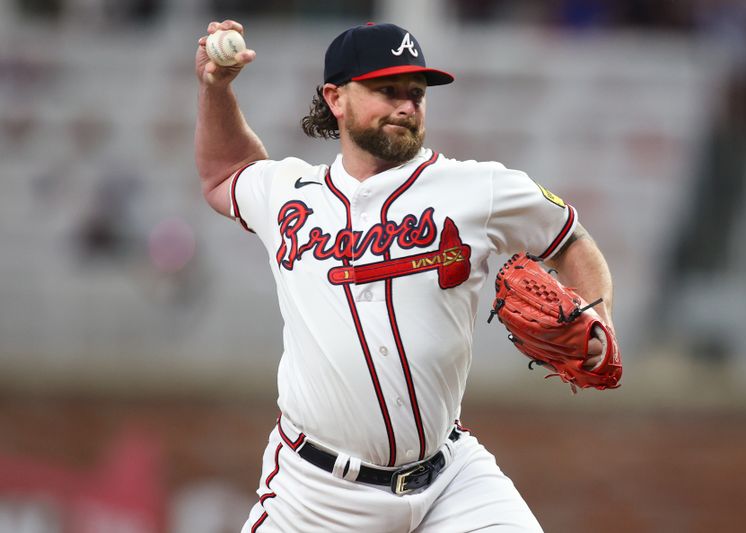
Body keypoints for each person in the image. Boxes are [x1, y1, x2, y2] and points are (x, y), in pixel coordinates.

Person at [195, 19, 617, 533]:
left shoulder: (477, 188)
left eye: (415, 94)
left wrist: (599, 315)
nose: (405, 105)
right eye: (385, 90)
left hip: (450, 479)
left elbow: (569, 237)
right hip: (317, 493)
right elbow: (225, 174)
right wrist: (216, 89)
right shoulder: (291, 194)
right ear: (337, 98)